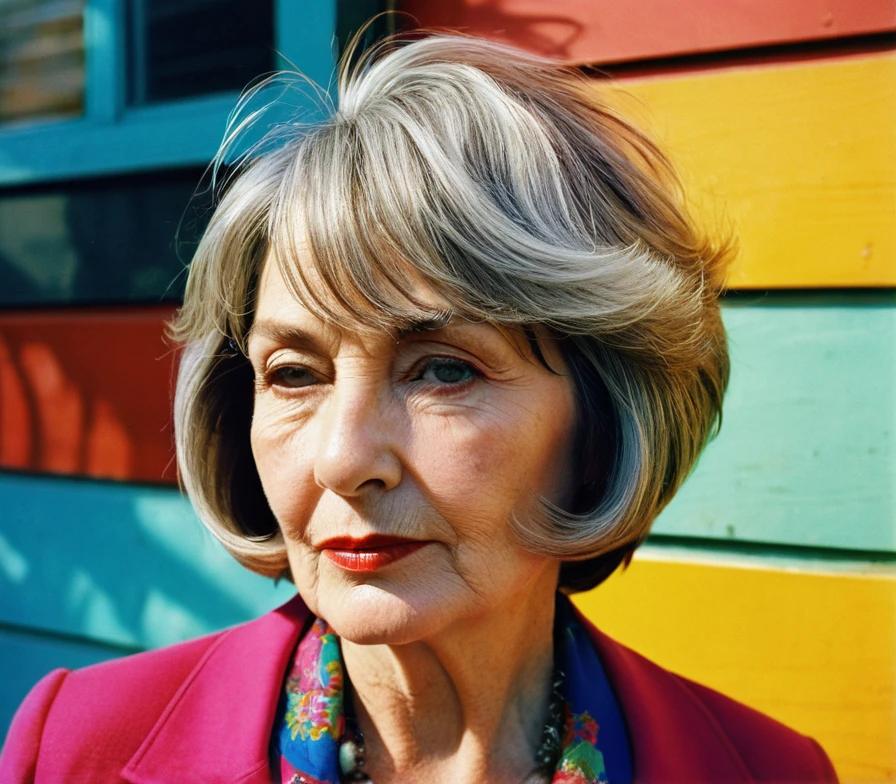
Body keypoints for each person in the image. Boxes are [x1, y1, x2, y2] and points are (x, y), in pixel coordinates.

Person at [0, 32, 837, 784]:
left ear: (606, 411)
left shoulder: (772, 772)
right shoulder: (74, 748)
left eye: (441, 370)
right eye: (294, 375)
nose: (343, 458)